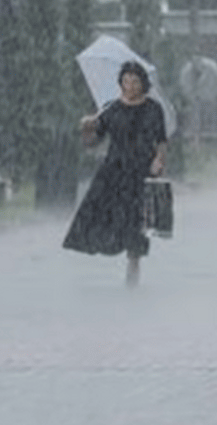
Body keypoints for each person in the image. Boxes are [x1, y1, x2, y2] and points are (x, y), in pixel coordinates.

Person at [63, 61, 168, 288]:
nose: (130, 86)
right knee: (106, 215)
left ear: (143, 83)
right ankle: (105, 246)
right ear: (120, 83)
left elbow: (161, 140)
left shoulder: (153, 108)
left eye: (135, 81)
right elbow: (91, 143)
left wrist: (159, 160)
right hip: (114, 170)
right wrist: (87, 127)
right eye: (126, 81)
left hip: (141, 171)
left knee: (136, 221)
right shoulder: (110, 108)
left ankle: (133, 268)